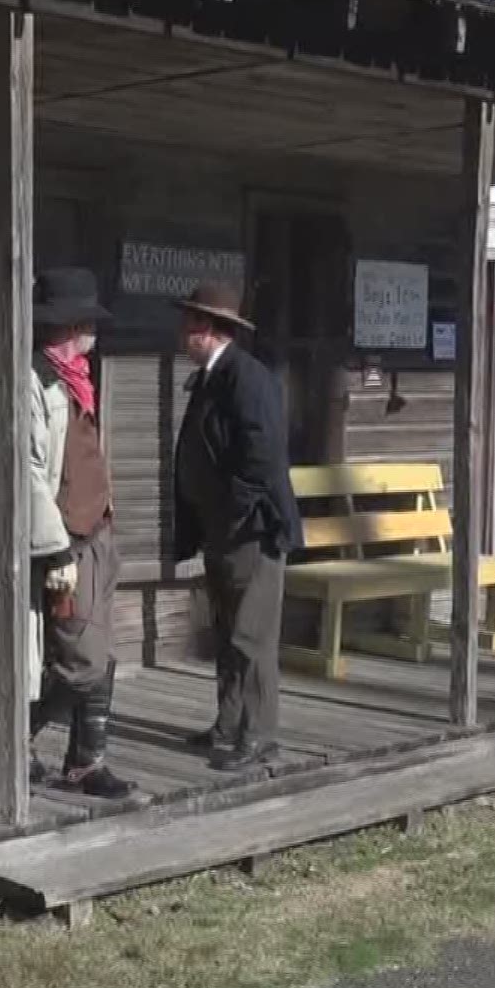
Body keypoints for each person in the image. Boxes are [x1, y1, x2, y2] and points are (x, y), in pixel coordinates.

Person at [0, 267, 137, 800]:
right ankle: (14, 736)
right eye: (85, 321)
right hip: (64, 542)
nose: (92, 330)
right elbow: (27, 473)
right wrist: (58, 548)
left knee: (101, 651)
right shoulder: (31, 381)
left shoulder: (77, 377)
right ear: (67, 325)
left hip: (98, 534)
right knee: (81, 658)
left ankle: (86, 763)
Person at [171, 281, 302, 772]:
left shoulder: (247, 377)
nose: (182, 334)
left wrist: (235, 510)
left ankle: (262, 733)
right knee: (227, 633)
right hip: (222, 530)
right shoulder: (211, 377)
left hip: (252, 530)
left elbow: (262, 455)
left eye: (189, 326)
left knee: (252, 636)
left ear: (207, 329)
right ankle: (227, 724)